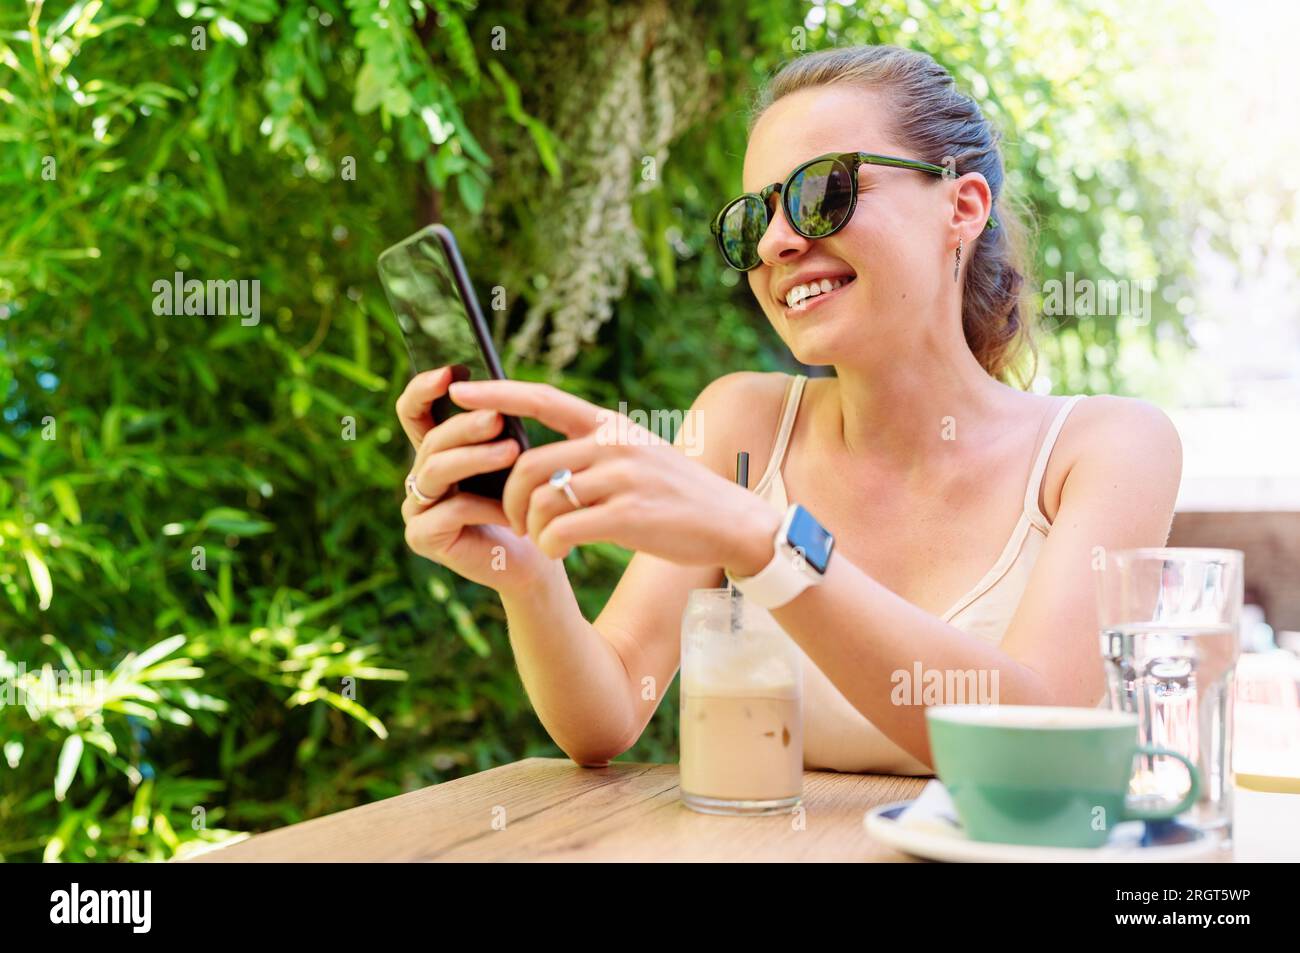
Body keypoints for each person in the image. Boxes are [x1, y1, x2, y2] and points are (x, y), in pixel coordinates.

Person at [395, 45, 1181, 774]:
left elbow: (1038, 751)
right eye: (753, 218)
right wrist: (525, 572)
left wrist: (770, 545)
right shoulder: (744, 424)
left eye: (822, 193)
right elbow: (609, 712)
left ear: (962, 206)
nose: (775, 241)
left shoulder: (1107, 448)